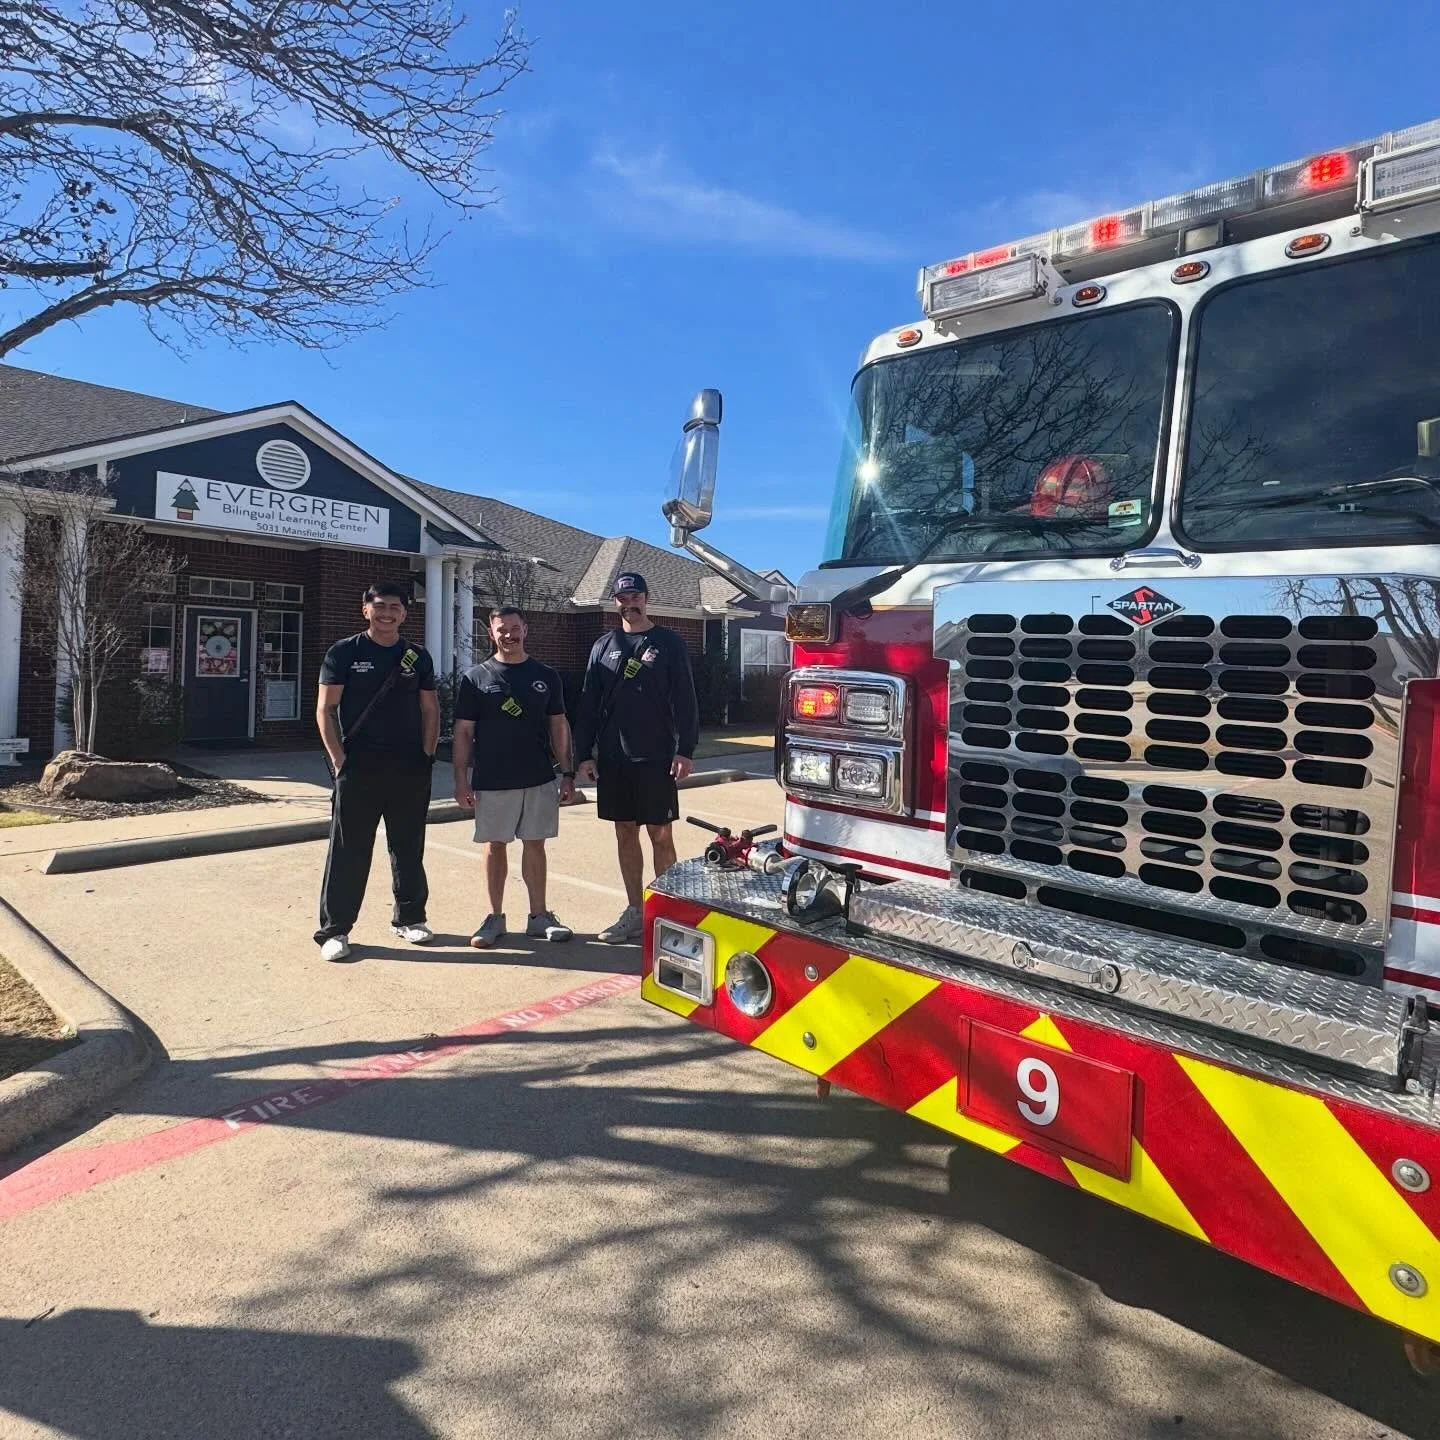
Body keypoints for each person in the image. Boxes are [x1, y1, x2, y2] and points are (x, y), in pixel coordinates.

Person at [314, 580, 439, 963]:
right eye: (380, 606)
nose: (388, 614)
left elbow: (430, 709)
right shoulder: (344, 653)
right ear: (365, 609)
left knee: (407, 845)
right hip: (359, 766)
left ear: (405, 612)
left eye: (395, 607)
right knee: (349, 850)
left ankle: (410, 917)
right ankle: (335, 930)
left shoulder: (417, 657)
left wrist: (427, 753)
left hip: (408, 765)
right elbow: (325, 709)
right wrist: (339, 760)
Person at [574, 572, 699, 944]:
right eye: (622, 597)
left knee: (660, 834)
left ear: (646, 598)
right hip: (613, 758)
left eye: (635, 596)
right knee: (624, 831)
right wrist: (584, 755)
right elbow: (589, 705)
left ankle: (669, 910)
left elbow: (686, 699)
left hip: (656, 755)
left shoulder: (668, 643)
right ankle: (635, 910)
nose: (629, 603)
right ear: (615, 602)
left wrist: (685, 749)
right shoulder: (603, 646)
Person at [452, 606, 576, 948]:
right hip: (492, 778)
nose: (509, 635)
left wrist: (567, 772)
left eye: (514, 628)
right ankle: (494, 917)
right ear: (491, 633)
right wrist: (461, 779)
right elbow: (463, 732)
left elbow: (558, 726)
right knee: (495, 845)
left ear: (526, 629)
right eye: (501, 630)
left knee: (535, 844)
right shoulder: (475, 678)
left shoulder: (546, 675)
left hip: (538, 776)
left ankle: (539, 917)